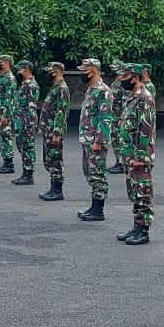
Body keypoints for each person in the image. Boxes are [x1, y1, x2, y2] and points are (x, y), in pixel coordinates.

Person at [114, 61, 156, 245]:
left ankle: (143, 230)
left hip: (140, 156)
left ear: (135, 78)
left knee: (143, 192)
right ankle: (136, 226)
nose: (121, 80)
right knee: (134, 191)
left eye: (125, 77)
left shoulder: (145, 98)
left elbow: (146, 130)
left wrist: (140, 156)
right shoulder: (131, 97)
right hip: (129, 154)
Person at [76, 58, 114, 223]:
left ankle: (98, 210)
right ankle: (93, 206)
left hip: (95, 141)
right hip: (88, 138)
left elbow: (105, 118)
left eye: (84, 70)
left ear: (92, 71)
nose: (82, 73)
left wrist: (99, 141)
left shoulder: (103, 90)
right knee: (89, 172)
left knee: (97, 173)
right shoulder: (91, 89)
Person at [38, 61, 71, 201]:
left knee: (55, 159)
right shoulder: (55, 87)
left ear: (56, 71)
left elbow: (61, 111)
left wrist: (57, 132)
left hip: (53, 131)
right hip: (48, 129)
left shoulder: (62, 88)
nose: (47, 73)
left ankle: (57, 191)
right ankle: (53, 188)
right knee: (49, 159)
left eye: (49, 71)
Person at [9, 59, 40, 185]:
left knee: (28, 147)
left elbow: (31, 108)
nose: (18, 70)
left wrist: (28, 125)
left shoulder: (31, 85)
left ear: (27, 68)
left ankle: (28, 175)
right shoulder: (25, 84)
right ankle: (25, 172)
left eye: (20, 68)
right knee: (22, 147)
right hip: (20, 121)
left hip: (27, 122)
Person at [0, 55, 18, 174]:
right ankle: (5, 161)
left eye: (1, 62)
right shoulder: (1, 77)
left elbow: (9, 98)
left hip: (3, 114)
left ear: (7, 63)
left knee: (5, 137)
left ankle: (9, 163)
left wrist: (5, 115)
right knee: (0, 137)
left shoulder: (10, 78)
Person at [108, 62, 128, 175]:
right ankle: (118, 161)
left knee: (119, 140)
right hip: (113, 116)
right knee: (115, 140)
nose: (113, 71)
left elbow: (125, 101)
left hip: (119, 116)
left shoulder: (122, 83)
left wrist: (123, 117)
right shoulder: (116, 82)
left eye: (115, 69)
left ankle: (122, 163)